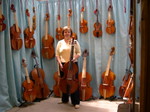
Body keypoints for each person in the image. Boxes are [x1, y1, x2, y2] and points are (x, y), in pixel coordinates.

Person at [55, 26, 81, 109]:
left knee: (74, 83)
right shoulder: (60, 43)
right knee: (64, 82)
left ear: (71, 33)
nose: (67, 33)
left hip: (73, 64)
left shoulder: (75, 42)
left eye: (68, 32)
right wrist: (60, 63)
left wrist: (74, 58)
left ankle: (76, 102)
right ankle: (64, 99)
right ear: (63, 33)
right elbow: (57, 54)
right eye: (65, 32)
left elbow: (79, 53)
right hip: (63, 64)